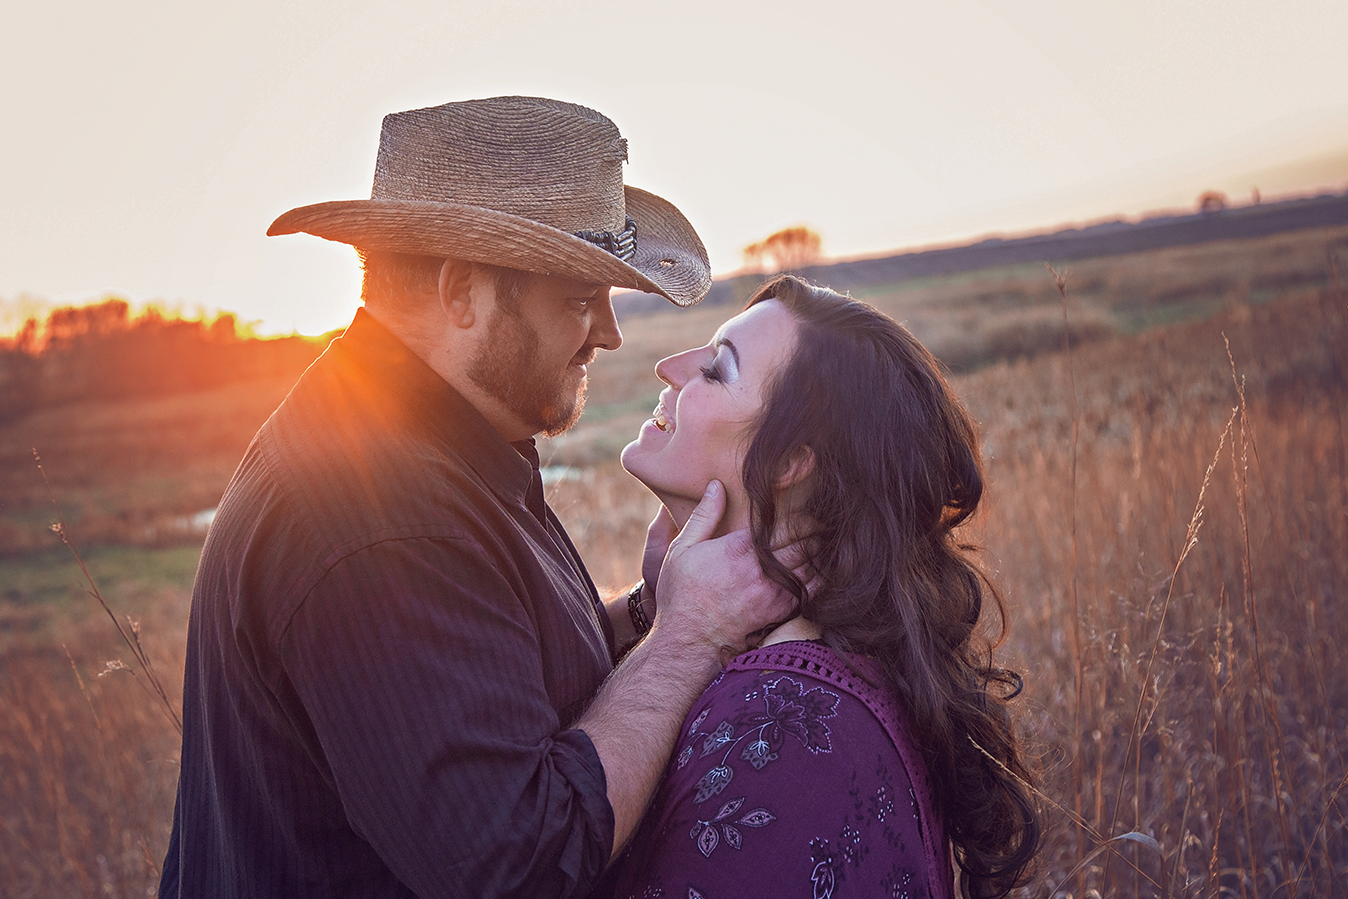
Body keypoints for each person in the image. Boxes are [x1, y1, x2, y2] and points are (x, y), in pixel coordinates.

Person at [159, 96, 793, 899]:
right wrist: (689, 640)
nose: (609, 331)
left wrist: (648, 611)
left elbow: (493, 677)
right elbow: (520, 862)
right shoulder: (381, 517)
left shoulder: (437, 446)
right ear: (462, 292)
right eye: (577, 297)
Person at [608, 275, 1041, 899]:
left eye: (716, 370)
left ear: (789, 463)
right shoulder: (816, 664)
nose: (670, 367)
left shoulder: (782, 729)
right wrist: (659, 612)